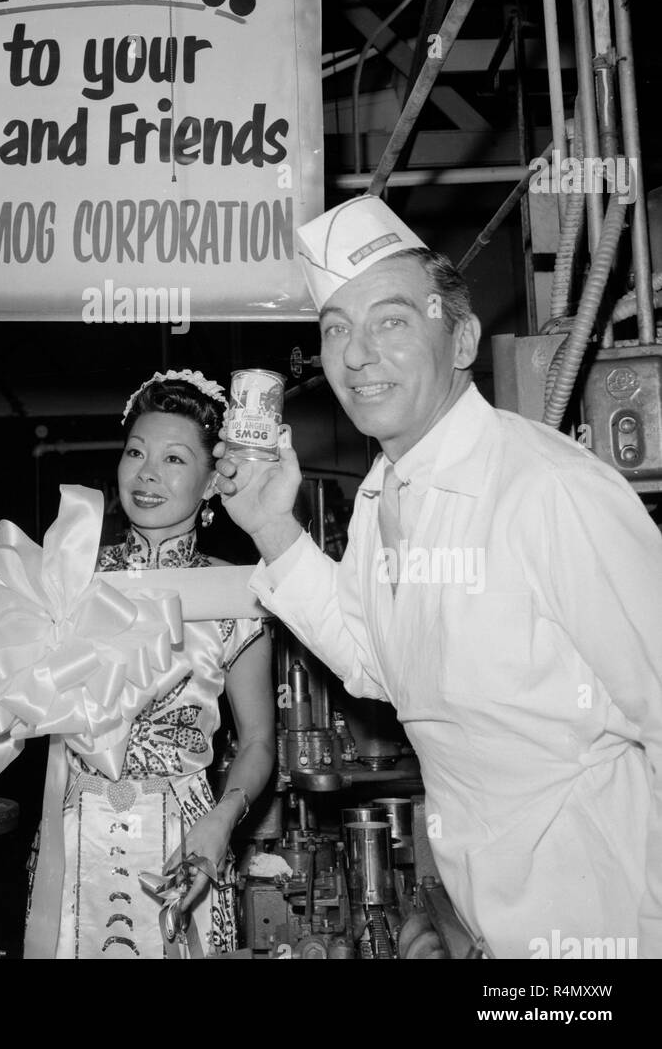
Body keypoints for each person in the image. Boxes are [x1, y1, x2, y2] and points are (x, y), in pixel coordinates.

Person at [214, 194, 662, 960]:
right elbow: (376, 666)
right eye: (335, 331)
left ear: (460, 339)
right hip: (489, 920)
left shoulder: (547, 490)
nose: (356, 356)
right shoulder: (385, 497)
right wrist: (273, 530)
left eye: (390, 322)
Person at [0, 369, 275, 959]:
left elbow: (260, 740)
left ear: (213, 481)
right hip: (72, 842)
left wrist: (222, 822)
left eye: (175, 459)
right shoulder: (71, 573)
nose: (147, 473)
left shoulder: (238, 594)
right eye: (136, 452)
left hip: (188, 847)